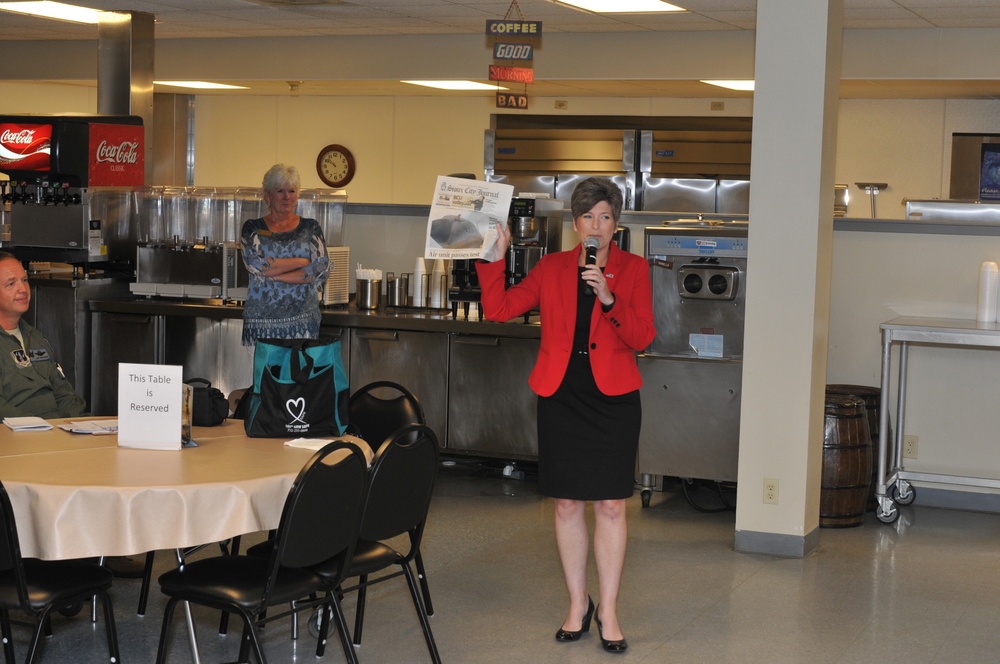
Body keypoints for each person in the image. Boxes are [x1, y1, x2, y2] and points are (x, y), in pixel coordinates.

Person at [476, 177, 655, 654]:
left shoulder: (633, 270)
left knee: (612, 505)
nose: (597, 226)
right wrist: (493, 259)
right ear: (575, 223)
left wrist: (609, 299)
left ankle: (610, 610)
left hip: (613, 398)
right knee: (567, 504)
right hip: (561, 394)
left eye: (606, 218)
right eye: (588, 217)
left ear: (616, 225)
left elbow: (643, 337)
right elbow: (498, 309)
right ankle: (579, 604)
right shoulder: (552, 267)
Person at [241, 164, 329, 346]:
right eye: (280, 191)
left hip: (303, 323)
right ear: (267, 195)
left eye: (292, 191)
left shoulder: (311, 227)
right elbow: (258, 266)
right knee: (265, 375)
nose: (287, 197)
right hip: (262, 323)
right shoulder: (252, 228)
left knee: (299, 374)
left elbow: (319, 270)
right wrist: (303, 261)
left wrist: (276, 275)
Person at [0, 252, 87, 418]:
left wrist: (78, 425)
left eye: (24, 280)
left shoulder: (35, 337)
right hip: (18, 437)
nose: (23, 289)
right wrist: (40, 429)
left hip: (54, 434)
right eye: (11, 284)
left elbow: (63, 393)